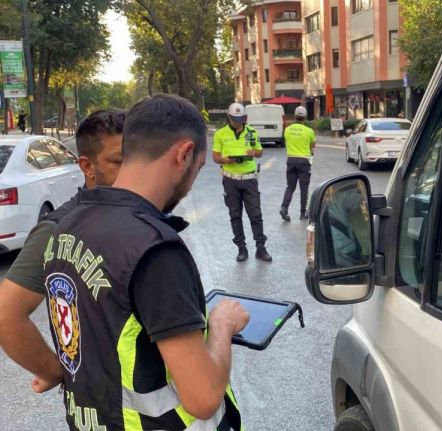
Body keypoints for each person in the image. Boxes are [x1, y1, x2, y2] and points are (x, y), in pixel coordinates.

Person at [41, 95, 250, 430]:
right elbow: (203, 397)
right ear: (183, 154)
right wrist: (223, 324)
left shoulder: (67, 224)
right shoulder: (154, 249)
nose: (193, 180)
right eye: (197, 168)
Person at [0, 109, 125, 398]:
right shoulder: (58, 229)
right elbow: (7, 314)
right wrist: (54, 371)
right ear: (87, 166)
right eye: (119, 161)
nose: (133, 170)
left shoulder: (138, 213)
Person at [213, 102, 272, 262]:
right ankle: (241, 248)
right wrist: (226, 160)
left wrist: (253, 152)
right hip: (230, 180)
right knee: (235, 215)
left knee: (255, 214)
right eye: (234, 119)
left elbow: (259, 152)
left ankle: (260, 248)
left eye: (240, 119)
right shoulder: (220, 134)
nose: (237, 122)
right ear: (229, 117)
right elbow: (215, 157)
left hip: (249, 180)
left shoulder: (252, 132)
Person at [279, 106, 316, 221]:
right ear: (304, 117)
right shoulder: (309, 131)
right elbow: (312, 146)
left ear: (295, 116)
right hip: (304, 161)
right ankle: (302, 213)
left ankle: (284, 207)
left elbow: (287, 141)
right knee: (304, 188)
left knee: (290, 186)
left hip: (291, 160)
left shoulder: (287, 130)